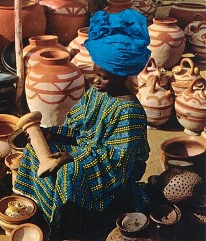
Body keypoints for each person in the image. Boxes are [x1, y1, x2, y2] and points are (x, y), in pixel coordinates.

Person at [13, 8, 151, 241]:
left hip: (110, 171)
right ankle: (42, 212)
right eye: (95, 74)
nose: (96, 80)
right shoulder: (97, 93)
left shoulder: (130, 112)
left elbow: (118, 161)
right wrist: (50, 133)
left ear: (122, 75)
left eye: (104, 77)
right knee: (35, 151)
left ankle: (69, 229)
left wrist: (72, 158)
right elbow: (77, 130)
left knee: (69, 172)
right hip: (84, 152)